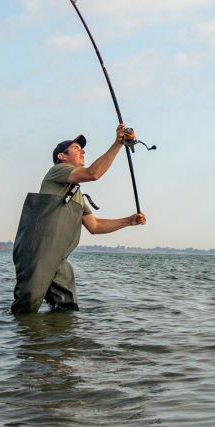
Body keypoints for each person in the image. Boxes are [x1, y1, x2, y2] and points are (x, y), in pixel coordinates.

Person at [11, 124, 147, 314]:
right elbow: (93, 173)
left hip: (59, 258)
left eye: (82, 149)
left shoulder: (76, 194)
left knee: (67, 309)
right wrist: (118, 143)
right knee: (26, 307)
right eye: (76, 148)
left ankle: (61, 343)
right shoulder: (57, 171)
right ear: (61, 156)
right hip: (36, 253)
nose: (82, 151)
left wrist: (128, 221)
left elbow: (95, 225)